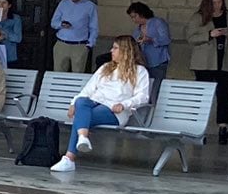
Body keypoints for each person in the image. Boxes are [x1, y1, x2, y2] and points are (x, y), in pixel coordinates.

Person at [51, 36, 152, 173]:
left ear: (126, 51)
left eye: (115, 48)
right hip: (92, 103)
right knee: (81, 102)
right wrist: (73, 103)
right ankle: (82, 139)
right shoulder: (106, 67)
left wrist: (124, 104)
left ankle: (70, 157)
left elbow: (143, 96)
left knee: (81, 118)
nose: (111, 51)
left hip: (114, 110)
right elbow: (88, 89)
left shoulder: (140, 71)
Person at [186, 0, 228, 144]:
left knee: (223, 95)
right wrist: (209, 35)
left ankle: (223, 128)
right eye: (213, 3)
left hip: (225, 61)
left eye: (219, 2)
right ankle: (199, 128)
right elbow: (190, 37)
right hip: (204, 62)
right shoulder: (199, 17)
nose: (217, 6)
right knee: (202, 95)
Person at [49, 0, 97, 73]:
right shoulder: (64, 3)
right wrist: (61, 24)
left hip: (80, 46)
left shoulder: (90, 6)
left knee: (77, 77)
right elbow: (53, 22)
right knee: (58, 76)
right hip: (61, 44)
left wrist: (89, 46)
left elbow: (94, 27)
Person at [126, 2, 172, 75]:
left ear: (141, 13)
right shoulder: (138, 29)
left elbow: (166, 40)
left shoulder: (158, 22)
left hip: (158, 61)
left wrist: (151, 39)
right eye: (132, 17)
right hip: (143, 62)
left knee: (156, 84)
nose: (133, 20)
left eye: (135, 16)